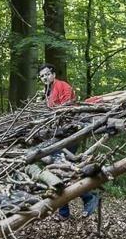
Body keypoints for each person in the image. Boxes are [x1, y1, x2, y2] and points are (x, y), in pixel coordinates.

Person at [37, 63, 99, 220]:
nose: (45, 78)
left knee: (61, 167)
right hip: (58, 135)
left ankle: (88, 197)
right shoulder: (47, 92)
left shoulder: (62, 85)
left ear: (53, 74)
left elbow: (68, 107)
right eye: (42, 76)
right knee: (59, 169)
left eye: (47, 74)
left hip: (70, 133)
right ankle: (66, 210)